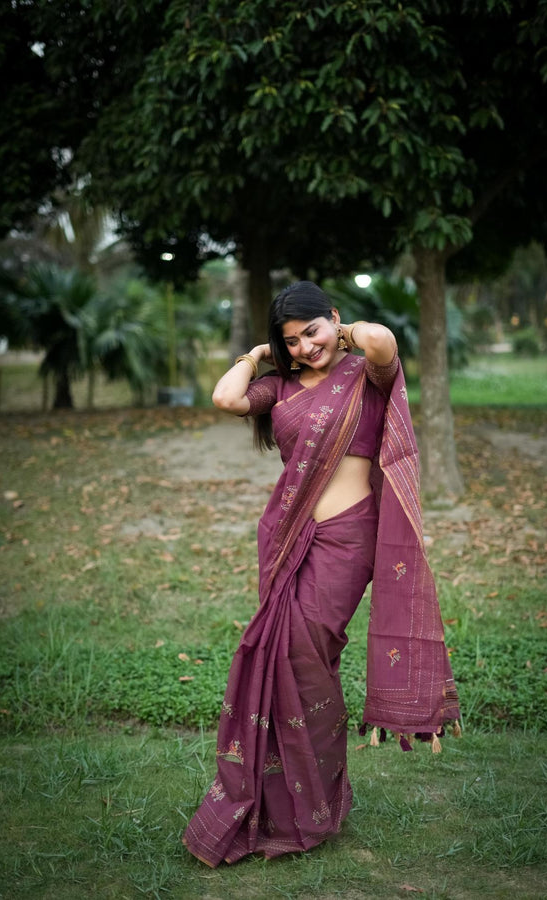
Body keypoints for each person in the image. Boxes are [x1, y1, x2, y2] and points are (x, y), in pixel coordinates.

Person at [183, 281, 459, 867]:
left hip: (349, 537)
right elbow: (226, 400)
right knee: (284, 655)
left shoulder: (364, 372)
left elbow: (384, 344)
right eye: (293, 341)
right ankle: (287, 805)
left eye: (314, 331)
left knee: (306, 651)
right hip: (289, 535)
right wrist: (257, 356)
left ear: (333, 319)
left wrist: (345, 335)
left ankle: (314, 798)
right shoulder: (278, 386)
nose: (308, 347)